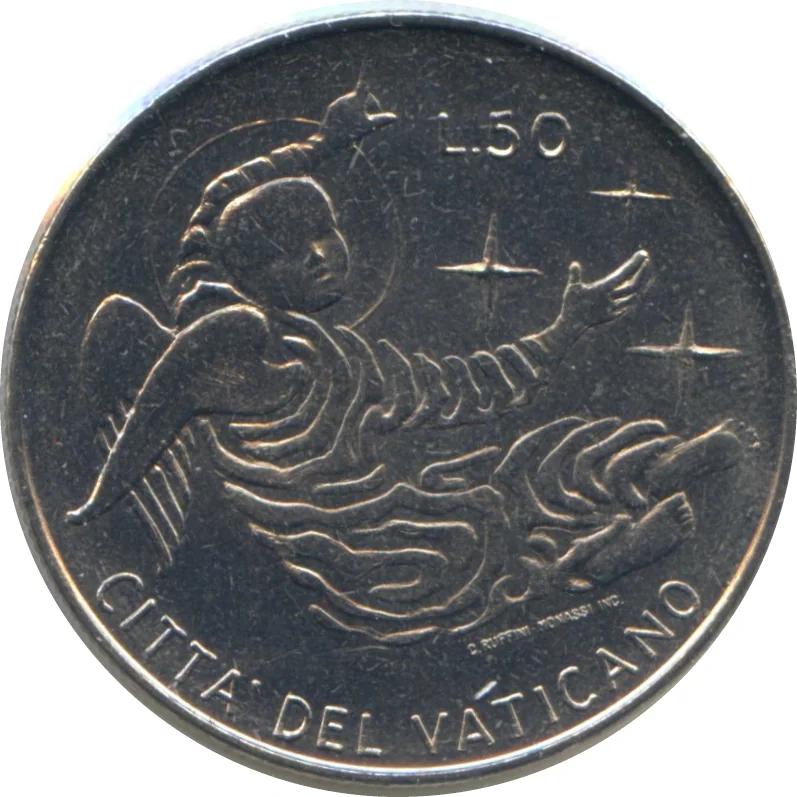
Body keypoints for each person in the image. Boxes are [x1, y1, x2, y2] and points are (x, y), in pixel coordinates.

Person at [68, 84, 744, 642]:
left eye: (325, 231)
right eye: (290, 250)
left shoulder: (341, 352)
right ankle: (586, 567)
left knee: (540, 459)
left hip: (402, 490)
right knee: (460, 549)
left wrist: (323, 142)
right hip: (346, 545)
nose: (321, 254)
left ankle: (653, 467)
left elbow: (454, 388)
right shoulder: (237, 345)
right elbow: (156, 409)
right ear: (250, 272)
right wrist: (104, 492)